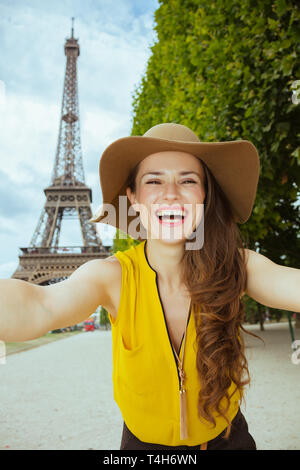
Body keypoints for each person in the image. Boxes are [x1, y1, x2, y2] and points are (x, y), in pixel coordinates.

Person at [1, 123, 299, 450]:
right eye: (154, 181)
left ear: (204, 195)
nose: (170, 193)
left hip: (230, 442)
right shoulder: (111, 276)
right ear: (133, 197)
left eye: (188, 181)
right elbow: (40, 305)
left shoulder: (237, 266)